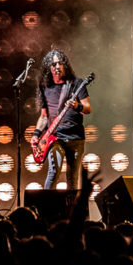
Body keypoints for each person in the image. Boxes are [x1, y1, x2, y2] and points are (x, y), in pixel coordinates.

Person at [31, 49, 92, 190]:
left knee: (73, 178)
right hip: (55, 138)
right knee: (53, 173)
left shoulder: (77, 83)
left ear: (65, 65)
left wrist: (77, 105)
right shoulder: (44, 86)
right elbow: (44, 116)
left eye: (60, 63)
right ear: (49, 67)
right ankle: (44, 208)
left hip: (75, 138)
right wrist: (36, 134)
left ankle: (72, 210)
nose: (57, 67)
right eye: (53, 64)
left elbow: (88, 108)